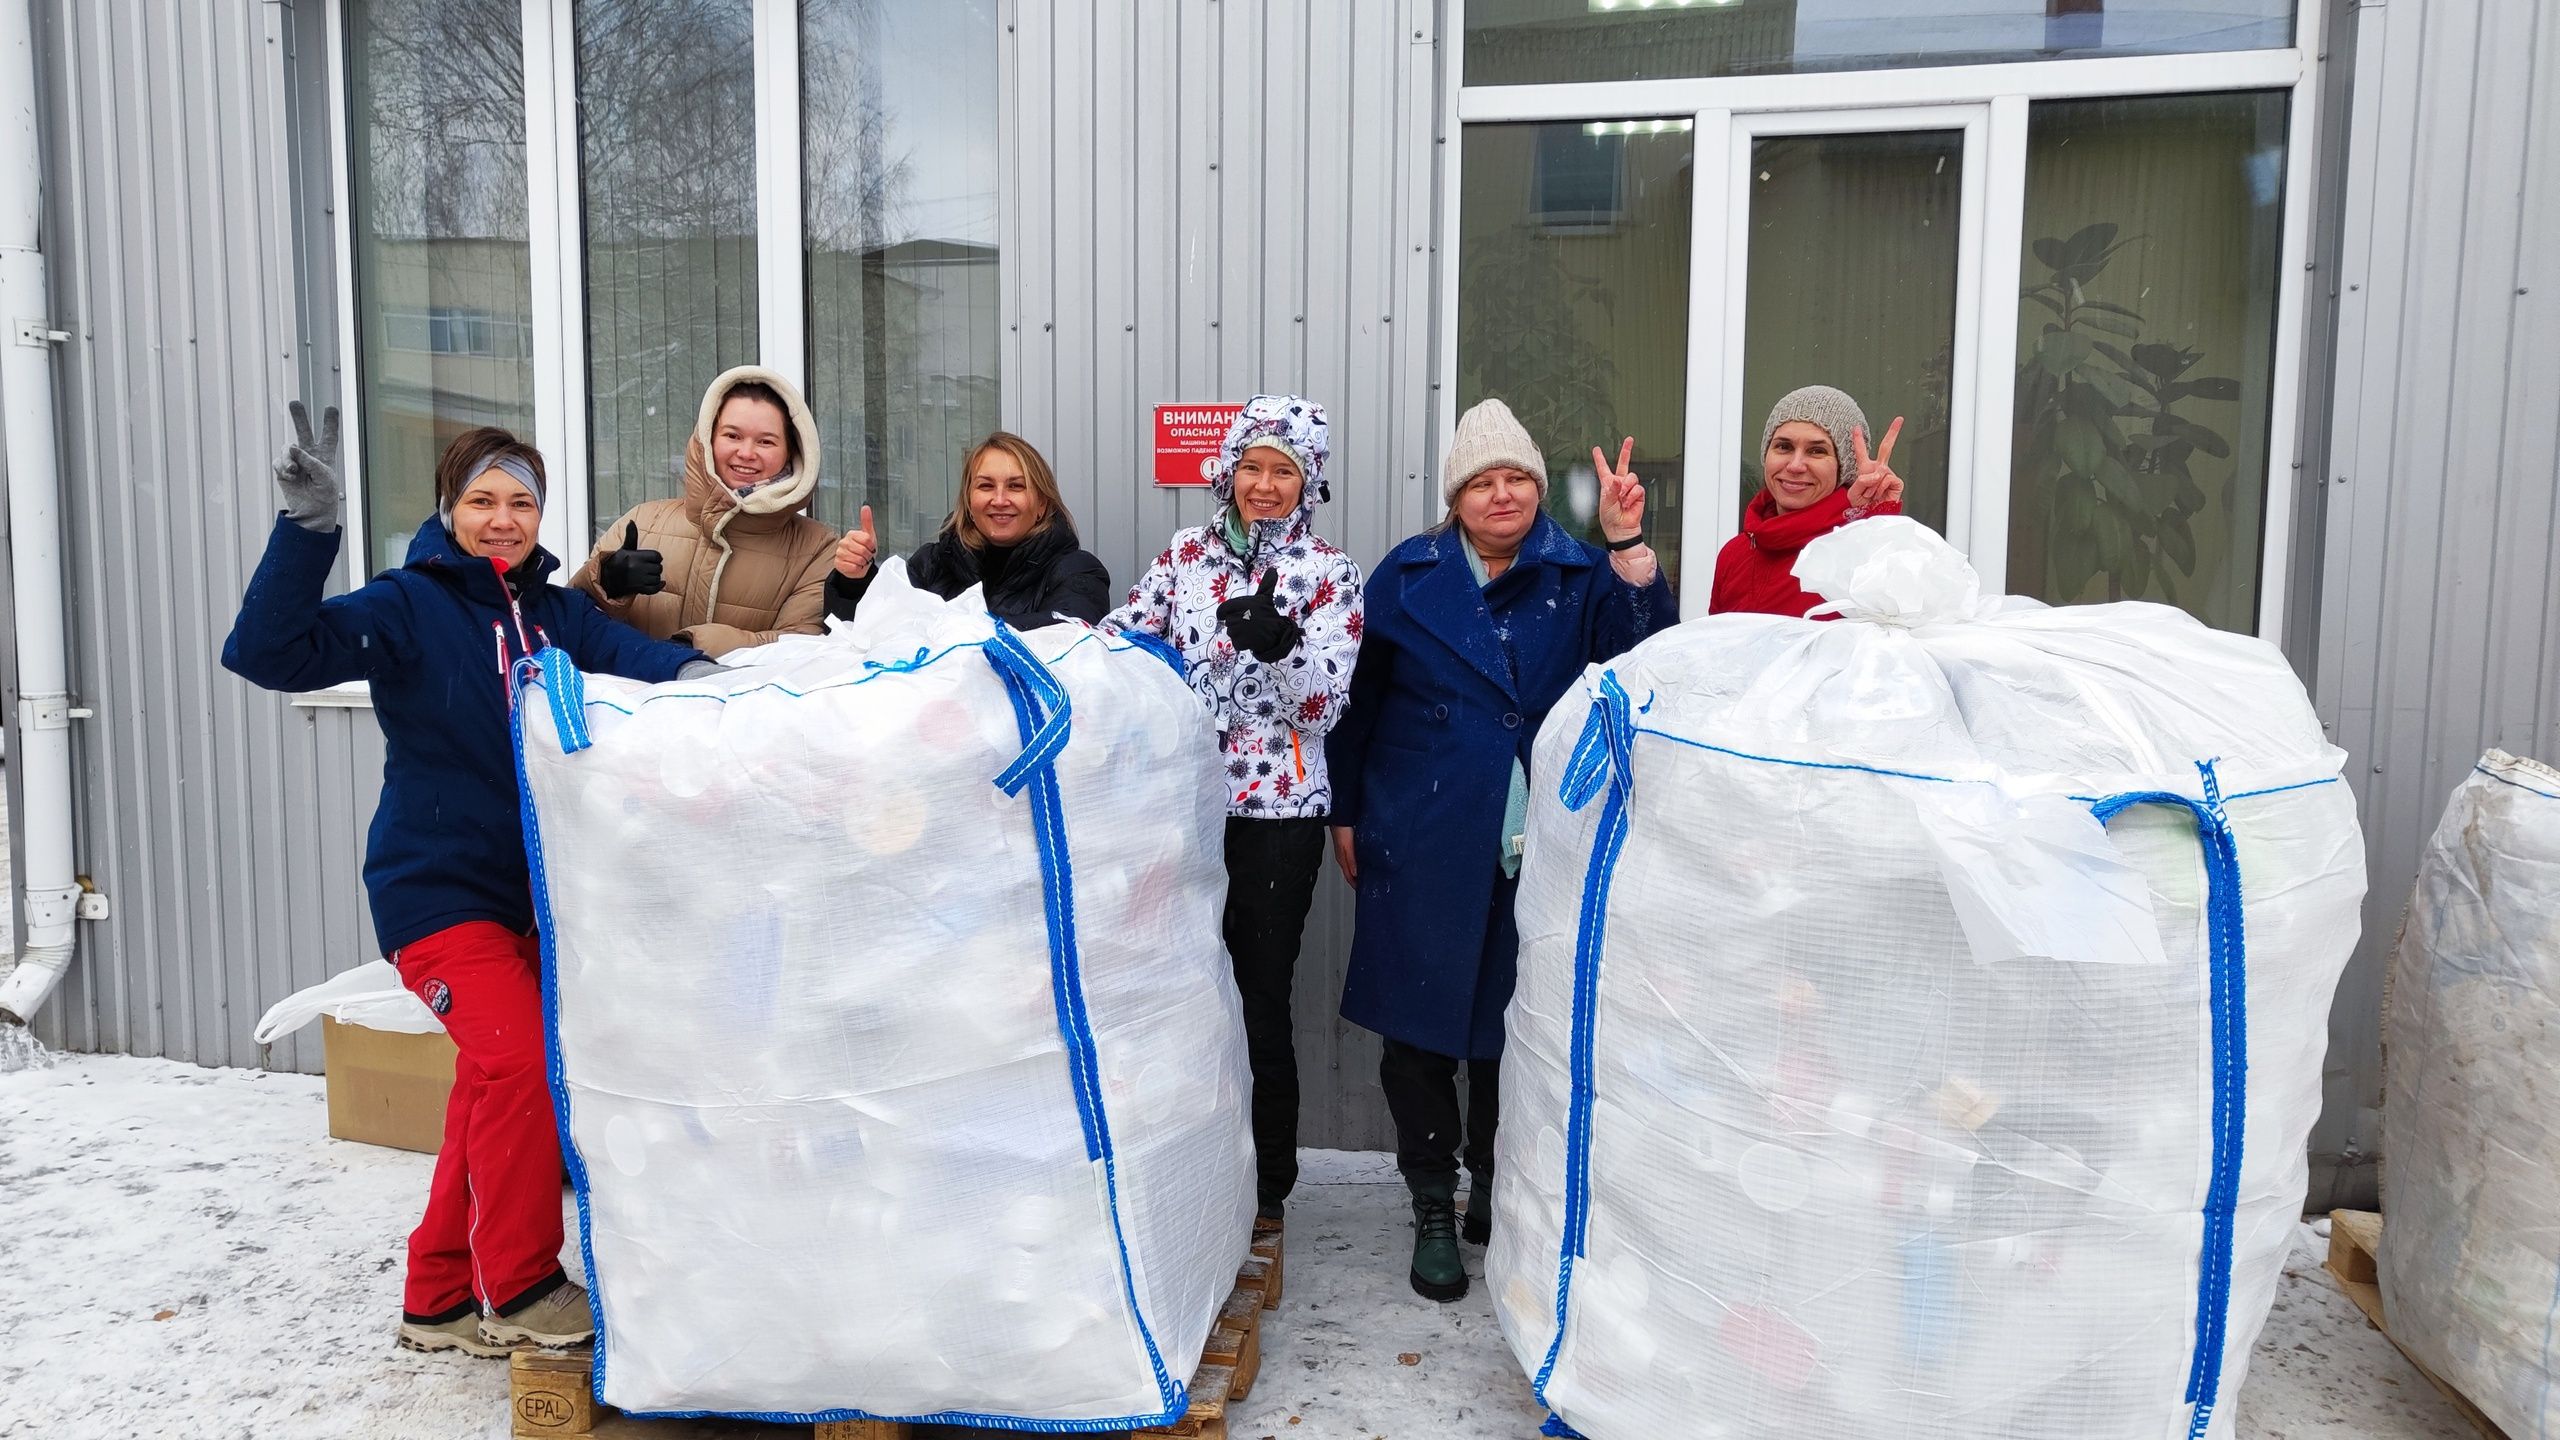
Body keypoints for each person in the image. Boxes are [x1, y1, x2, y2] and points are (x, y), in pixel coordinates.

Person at [223, 405, 711, 1357]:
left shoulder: (560, 615)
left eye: (520, 500)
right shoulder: (408, 606)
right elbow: (268, 654)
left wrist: (713, 681)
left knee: (490, 1091)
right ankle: (522, 1285)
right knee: (520, 1062)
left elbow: (645, 664)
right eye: (481, 498)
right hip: (436, 894)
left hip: (534, 899)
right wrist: (307, 533)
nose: (503, 517)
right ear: (449, 510)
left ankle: (437, 1295)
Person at [1326, 397, 1673, 1302]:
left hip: (1539, 832)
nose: (1503, 493)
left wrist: (1630, 549)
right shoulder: (1406, 576)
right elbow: (1359, 705)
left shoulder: (1582, 572)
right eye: (1484, 481)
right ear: (1457, 496)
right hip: (1423, 822)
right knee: (1418, 1032)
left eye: (1518, 476)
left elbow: (1648, 664)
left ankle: (1495, 1185)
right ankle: (1433, 1202)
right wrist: (1348, 810)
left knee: (1509, 1029)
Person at [1105, 395, 1363, 1225]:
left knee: (1256, 994)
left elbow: (1324, 709)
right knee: (1178, 988)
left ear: (1307, 481)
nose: (1263, 483)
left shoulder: (1329, 573)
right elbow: (1123, 645)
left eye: (1282, 470)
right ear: (1226, 471)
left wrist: (1284, 648)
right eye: (1251, 466)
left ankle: (1266, 1186)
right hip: (1181, 807)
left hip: (1276, 820)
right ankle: (1189, 1162)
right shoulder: (1186, 555)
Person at [570, 365, 836, 656]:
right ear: (707, 440)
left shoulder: (817, 548)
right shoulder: (644, 522)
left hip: (748, 701)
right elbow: (565, 624)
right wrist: (605, 584)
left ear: (791, 451)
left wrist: (700, 646)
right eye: (732, 436)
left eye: (765, 441)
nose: (746, 453)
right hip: (633, 701)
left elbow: (800, 649)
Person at [824, 431, 1111, 629]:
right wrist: (855, 581)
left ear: (1041, 506)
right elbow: (864, 633)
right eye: (986, 486)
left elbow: (1067, 642)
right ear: (969, 503)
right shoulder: (932, 564)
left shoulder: (1079, 573)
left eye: (1016, 486)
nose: (999, 500)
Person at [1708, 384, 1906, 617]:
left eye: (1816, 451)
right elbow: (1714, 647)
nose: (1795, 465)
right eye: (1783, 446)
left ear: (1844, 468)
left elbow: (1901, 634)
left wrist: (1878, 519)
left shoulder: (1863, 555)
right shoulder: (1735, 554)